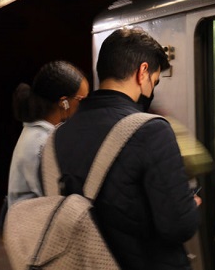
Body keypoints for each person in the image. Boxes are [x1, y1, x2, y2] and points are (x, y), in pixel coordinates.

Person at [50, 28, 201, 270]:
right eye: (155, 81)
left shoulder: (56, 137)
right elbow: (178, 226)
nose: (152, 90)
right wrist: (188, 206)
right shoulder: (152, 131)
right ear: (142, 72)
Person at [7, 60, 89, 208]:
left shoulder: (35, 133)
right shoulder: (43, 143)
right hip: (33, 227)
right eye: (82, 100)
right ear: (64, 102)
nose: (86, 106)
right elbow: (55, 198)